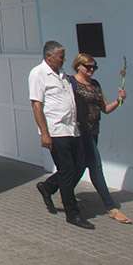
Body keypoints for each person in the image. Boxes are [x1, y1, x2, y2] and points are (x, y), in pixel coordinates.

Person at [30, 40, 92, 229]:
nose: (64, 59)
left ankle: (48, 187)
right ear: (49, 57)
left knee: (79, 165)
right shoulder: (38, 74)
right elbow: (36, 104)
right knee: (66, 170)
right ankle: (72, 213)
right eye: (60, 56)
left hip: (72, 129)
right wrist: (44, 133)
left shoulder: (63, 75)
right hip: (55, 130)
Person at [71, 53, 130, 224]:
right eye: (88, 66)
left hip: (94, 130)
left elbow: (105, 108)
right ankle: (111, 207)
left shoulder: (95, 84)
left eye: (94, 67)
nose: (91, 70)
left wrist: (119, 101)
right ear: (78, 66)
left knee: (81, 166)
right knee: (96, 166)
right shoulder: (71, 83)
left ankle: (56, 188)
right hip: (80, 132)